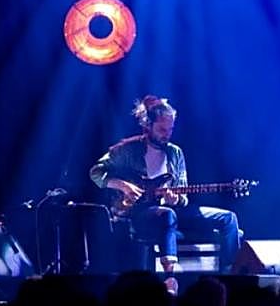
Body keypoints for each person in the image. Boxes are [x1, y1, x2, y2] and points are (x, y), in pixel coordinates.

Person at [91, 96, 241, 276]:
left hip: (171, 209)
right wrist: (123, 185)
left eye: (170, 129)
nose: (167, 134)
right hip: (139, 212)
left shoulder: (175, 153)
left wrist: (176, 198)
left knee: (228, 219)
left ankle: (230, 274)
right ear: (148, 126)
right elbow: (96, 172)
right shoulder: (128, 149)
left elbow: (183, 196)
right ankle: (170, 278)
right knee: (167, 214)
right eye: (162, 129)